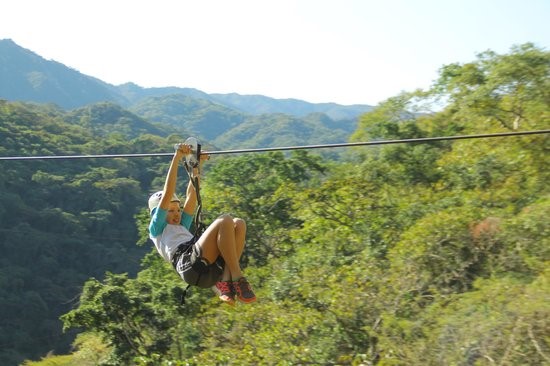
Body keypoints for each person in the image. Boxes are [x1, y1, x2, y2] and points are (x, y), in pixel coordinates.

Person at [148, 143, 256, 305]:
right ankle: (237, 278)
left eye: (178, 209)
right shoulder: (157, 228)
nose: (177, 214)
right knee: (225, 219)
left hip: (207, 266)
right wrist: (176, 157)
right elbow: (168, 193)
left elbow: (192, 196)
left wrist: (197, 167)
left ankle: (226, 283)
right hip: (189, 265)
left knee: (238, 224)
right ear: (158, 214)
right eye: (170, 211)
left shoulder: (181, 225)